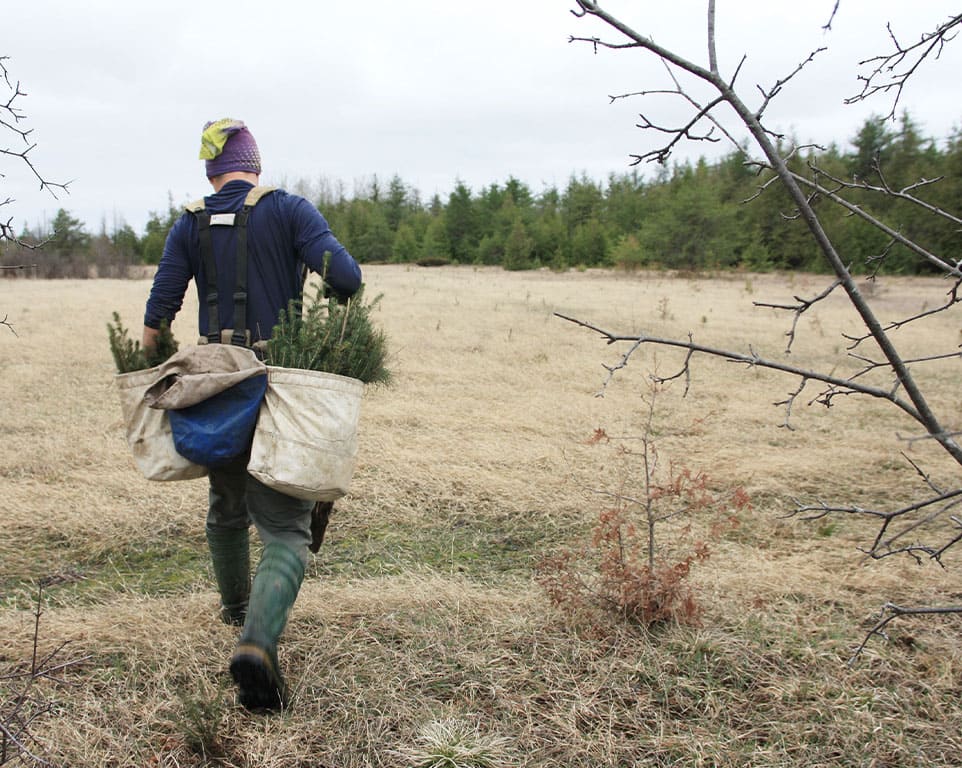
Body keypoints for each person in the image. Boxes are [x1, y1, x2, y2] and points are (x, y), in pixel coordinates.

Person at [141, 118, 362, 711]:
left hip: (215, 380)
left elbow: (158, 313)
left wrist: (150, 356)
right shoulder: (288, 209)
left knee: (227, 506)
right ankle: (256, 643)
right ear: (254, 164)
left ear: (211, 171)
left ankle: (235, 610)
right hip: (278, 380)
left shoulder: (188, 221)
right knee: (287, 528)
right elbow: (347, 279)